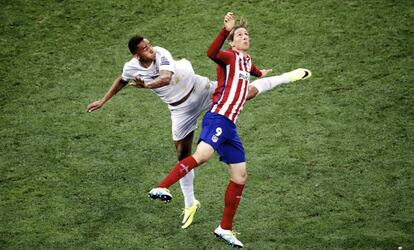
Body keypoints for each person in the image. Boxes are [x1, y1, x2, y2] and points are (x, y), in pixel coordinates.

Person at [87, 31, 311, 230]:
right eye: (145, 48)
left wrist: (146, 85)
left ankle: (285, 77)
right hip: (180, 110)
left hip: (200, 89)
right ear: (137, 55)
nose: (151, 49)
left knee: (244, 93)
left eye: (150, 44)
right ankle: (190, 203)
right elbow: (122, 79)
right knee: (182, 156)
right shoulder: (131, 67)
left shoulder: (161, 54)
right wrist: (103, 100)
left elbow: (165, 78)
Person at [147, 13, 311, 247]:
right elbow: (211, 53)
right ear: (232, 43)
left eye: (246, 35)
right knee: (202, 156)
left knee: (240, 176)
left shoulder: (246, 61)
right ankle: (162, 186)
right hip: (218, 117)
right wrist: (225, 31)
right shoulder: (229, 56)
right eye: (240, 35)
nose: (245, 37)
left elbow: (250, 69)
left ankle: (225, 228)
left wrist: (259, 73)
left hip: (230, 127)